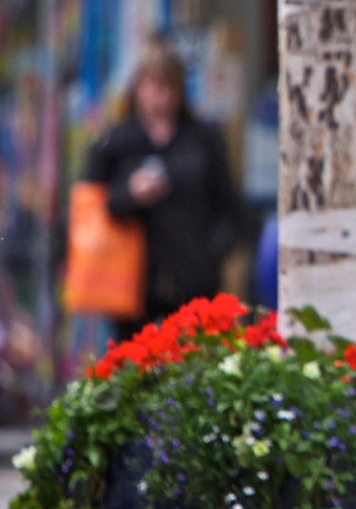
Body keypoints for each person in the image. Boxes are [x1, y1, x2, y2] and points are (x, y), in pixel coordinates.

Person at [82, 38, 246, 342]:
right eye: (151, 85)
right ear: (137, 88)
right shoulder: (115, 142)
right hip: (131, 282)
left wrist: (211, 253)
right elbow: (92, 206)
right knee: (134, 366)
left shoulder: (202, 142)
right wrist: (129, 194)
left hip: (193, 277)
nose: (160, 96)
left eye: (167, 86)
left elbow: (231, 211)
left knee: (192, 362)